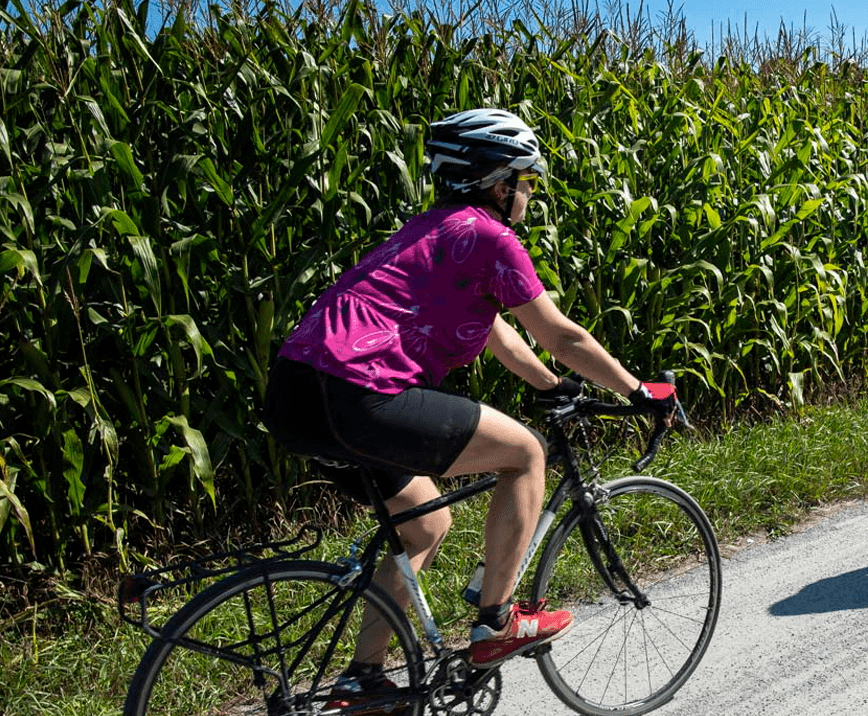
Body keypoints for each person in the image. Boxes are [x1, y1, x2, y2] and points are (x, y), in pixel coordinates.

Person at [260, 108, 678, 701]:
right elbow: (562, 335)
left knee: (426, 523)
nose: (529, 194)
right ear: (497, 183)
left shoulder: (431, 231)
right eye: (526, 181)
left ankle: (364, 680)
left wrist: (548, 386)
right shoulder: (489, 237)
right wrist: (637, 391)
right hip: (359, 392)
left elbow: (493, 332)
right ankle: (498, 622)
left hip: (295, 393)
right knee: (526, 455)